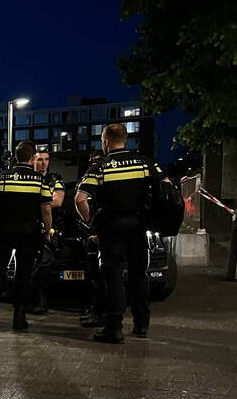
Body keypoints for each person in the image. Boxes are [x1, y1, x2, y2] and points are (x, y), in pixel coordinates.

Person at [75, 123, 158, 343]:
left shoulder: (100, 167)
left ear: (105, 141)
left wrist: (90, 221)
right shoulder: (145, 163)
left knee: (113, 279)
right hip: (138, 227)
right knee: (139, 276)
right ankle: (141, 325)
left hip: (111, 229)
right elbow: (164, 189)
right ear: (126, 139)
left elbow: (80, 199)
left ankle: (114, 328)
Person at [0, 140, 53, 331]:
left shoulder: (2, 178)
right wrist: (47, 231)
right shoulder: (39, 180)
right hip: (29, 232)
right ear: (32, 157)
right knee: (24, 274)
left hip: (4, 230)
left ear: (16, 157)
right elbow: (46, 210)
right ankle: (19, 318)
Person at [29, 150, 66, 315]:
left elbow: (57, 201)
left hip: (50, 228)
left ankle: (42, 301)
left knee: (45, 264)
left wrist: (35, 203)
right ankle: (35, 300)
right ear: (33, 161)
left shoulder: (55, 179)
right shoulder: (29, 178)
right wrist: (45, 201)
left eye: (46, 159)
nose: (43, 163)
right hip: (31, 227)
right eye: (39, 160)